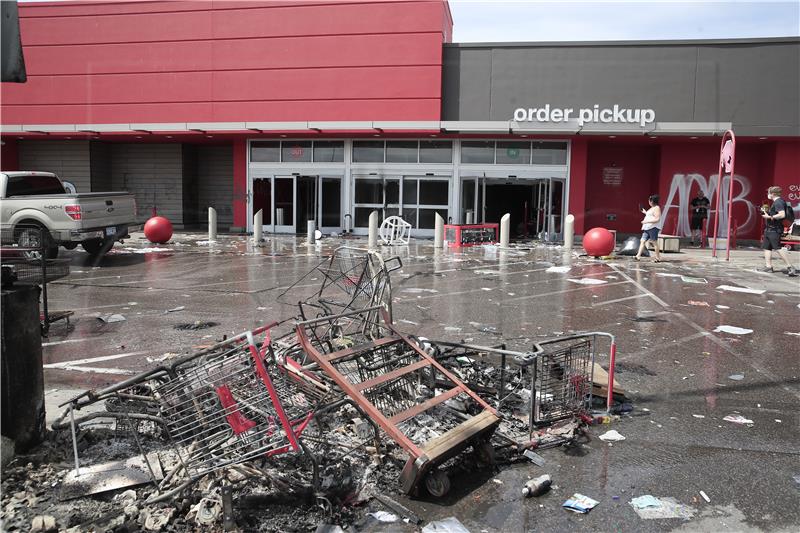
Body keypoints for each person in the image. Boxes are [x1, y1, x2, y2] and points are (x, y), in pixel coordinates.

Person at [760, 186, 797, 276]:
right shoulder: (777, 202)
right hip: (770, 229)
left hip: (775, 229)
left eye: (768, 193)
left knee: (778, 248)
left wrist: (769, 217)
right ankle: (768, 267)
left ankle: (790, 267)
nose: (767, 194)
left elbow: (782, 214)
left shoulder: (778, 202)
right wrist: (768, 213)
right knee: (767, 247)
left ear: (772, 194)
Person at [635, 194, 662, 262]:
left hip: (653, 227)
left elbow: (657, 219)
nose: (648, 202)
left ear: (652, 201)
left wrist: (646, 221)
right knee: (642, 241)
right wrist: (645, 212)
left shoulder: (657, 208)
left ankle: (657, 258)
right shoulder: (652, 208)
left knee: (654, 242)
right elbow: (650, 216)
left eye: (649, 200)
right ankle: (638, 256)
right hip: (647, 228)